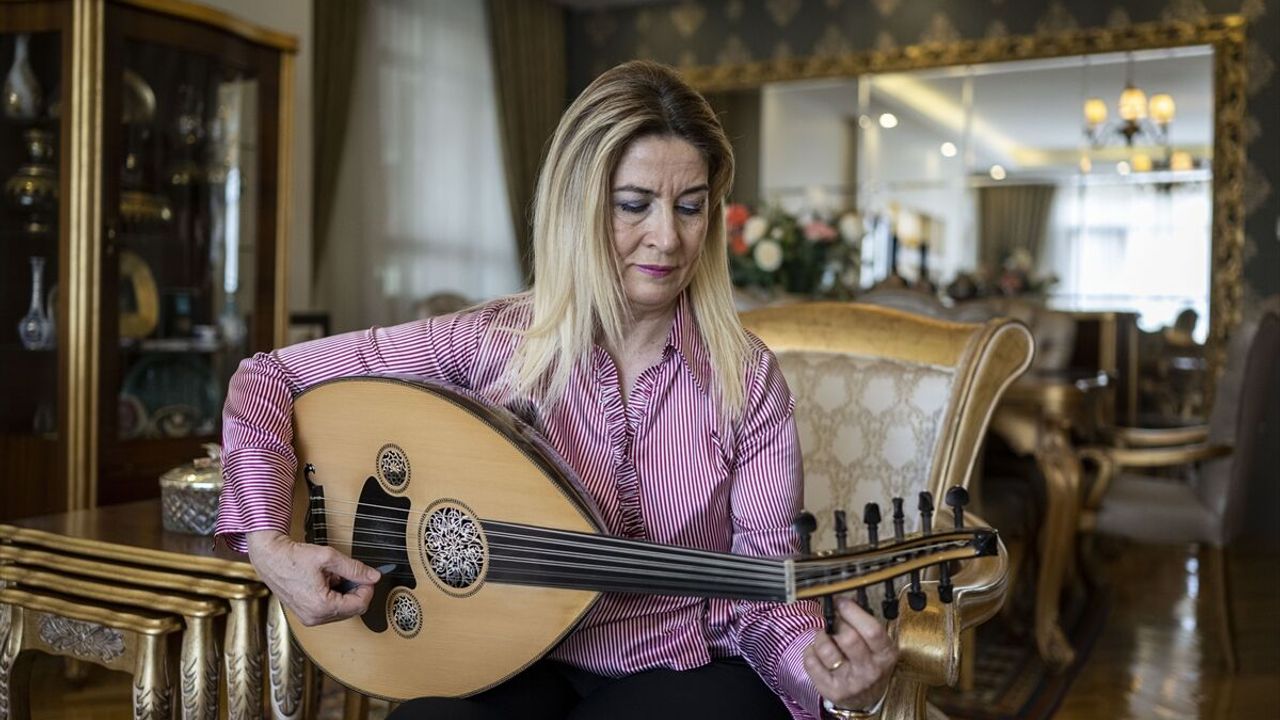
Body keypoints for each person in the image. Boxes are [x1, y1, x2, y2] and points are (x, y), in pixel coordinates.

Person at [216, 60, 897, 720]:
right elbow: (269, 376)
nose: (667, 238)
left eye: (690, 207)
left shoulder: (745, 379)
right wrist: (268, 544)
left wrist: (826, 674)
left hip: (683, 663)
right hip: (507, 652)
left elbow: (765, 594)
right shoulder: (488, 342)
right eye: (634, 205)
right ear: (577, 207)